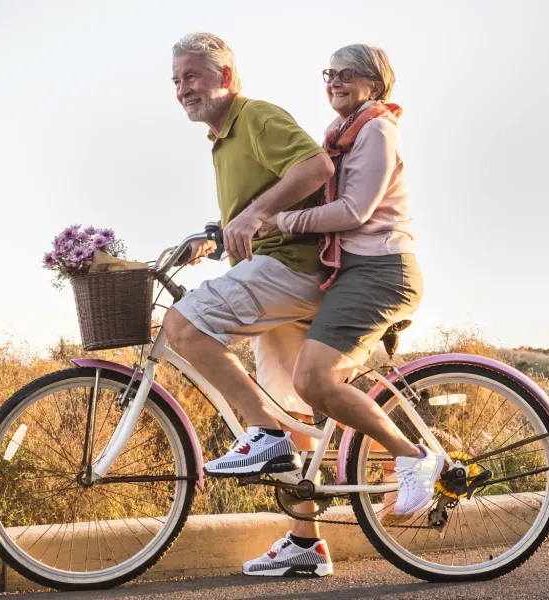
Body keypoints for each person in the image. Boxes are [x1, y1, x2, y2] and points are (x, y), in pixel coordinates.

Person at [239, 44, 442, 577]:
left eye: (348, 73)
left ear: (376, 84)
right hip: (351, 274)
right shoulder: (340, 135)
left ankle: (413, 457)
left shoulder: (376, 130)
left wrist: (279, 221)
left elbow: (354, 211)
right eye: (329, 72)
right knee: (293, 394)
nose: (334, 80)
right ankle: (304, 543)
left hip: (382, 272)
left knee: (313, 379)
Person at [165, 33, 335, 577]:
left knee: (182, 325)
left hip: (293, 269)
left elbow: (316, 169)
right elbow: (250, 209)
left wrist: (254, 216)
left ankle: (261, 433)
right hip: (273, 272)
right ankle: (306, 544)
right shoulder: (220, 140)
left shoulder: (256, 116)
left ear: (227, 77)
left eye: (192, 76)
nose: (182, 89)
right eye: (176, 80)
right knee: (295, 416)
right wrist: (215, 235)